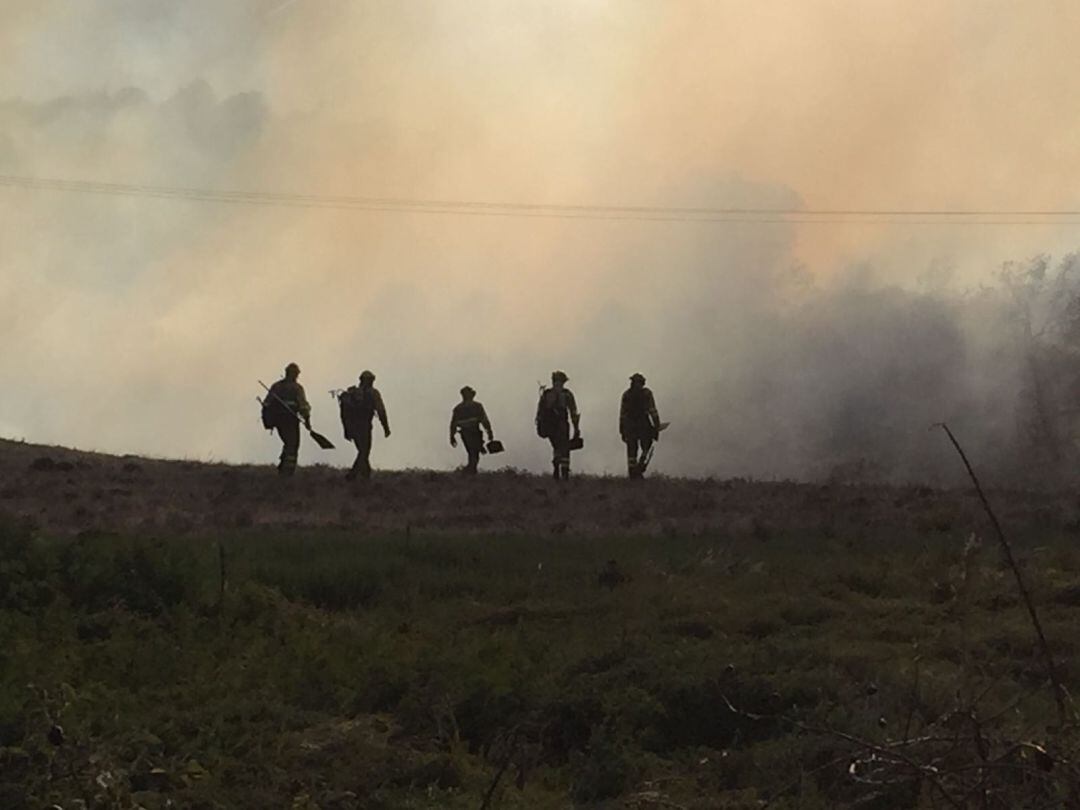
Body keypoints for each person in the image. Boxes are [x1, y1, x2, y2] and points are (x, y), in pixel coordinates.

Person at [339, 370, 390, 480]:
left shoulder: (351, 393)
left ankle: (365, 475)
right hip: (365, 426)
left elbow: (344, 413)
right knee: (364, 451)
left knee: (363, 451)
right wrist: (386, 427)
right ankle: (352, 475)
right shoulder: (373, 393)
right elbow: (381, 411)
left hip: (353, 426)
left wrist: (346, 429)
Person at [263, 362, 311, 477]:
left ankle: (283, 466)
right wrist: (308, 421)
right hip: (290, 420)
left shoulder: (276, 386)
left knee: (288, 443)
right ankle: (287, 472)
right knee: (293, 444)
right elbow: (303, 406)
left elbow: (267, 403)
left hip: (279, 421)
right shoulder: (297, 388)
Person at [535, 370, 581, 480]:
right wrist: (576, 429)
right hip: (562, 424)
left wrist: (540, 427)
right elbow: (573, 412)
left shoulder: (546, 394)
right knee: (564, 448)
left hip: (549, 426)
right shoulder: (567, 394)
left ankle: (556, 464)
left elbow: (539, 412)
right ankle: (564, 474)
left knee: (556, 447)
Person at [620, 373, 661, 479]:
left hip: (630, 425)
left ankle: (633, 473)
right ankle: (638, 469)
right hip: (642, 423)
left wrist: (622, 429)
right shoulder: (647, 393)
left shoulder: (626, 394)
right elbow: (652, 410)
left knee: (632, 449)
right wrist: (657, 425)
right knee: (645, 445)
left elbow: (622, 414)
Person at [449, 386, 495, 474]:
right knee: (474, 453)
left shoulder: (458, 408)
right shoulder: (477, 406)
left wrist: (452, 436)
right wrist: (489, 432)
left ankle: (470, 471)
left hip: (466, 433)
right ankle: (470, 471)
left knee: (472, 452)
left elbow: (453, 424)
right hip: (474, 432)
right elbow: (484, 420)